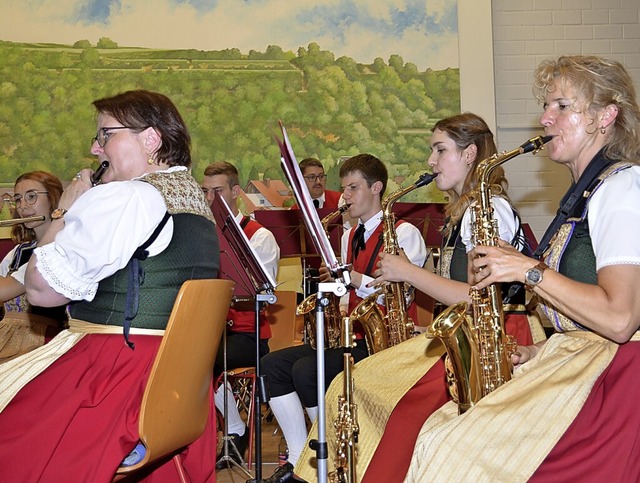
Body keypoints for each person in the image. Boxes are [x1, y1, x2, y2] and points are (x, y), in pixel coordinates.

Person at [403, 55, 640, 482]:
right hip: (584, 364)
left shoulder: (622, 186)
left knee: (451, 449)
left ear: (606, 116)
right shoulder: (586, 194)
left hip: (619, 385)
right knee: (440, 438)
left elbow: (621, 319)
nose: (545, 118)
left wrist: (528, 269)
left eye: (562, 106)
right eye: (546, 106)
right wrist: (537, 353)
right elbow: (582, 321)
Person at [294, 113, 546, 482]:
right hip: (470, 336)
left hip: (498, 339)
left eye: (439, 150)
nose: (431, 160)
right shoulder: (466, 210)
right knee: (358, 385)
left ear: (470, 153)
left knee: (376, 393)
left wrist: (408, 272)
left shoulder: (487, 210)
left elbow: (480, 300)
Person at [0, 90, 220, 482]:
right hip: (170, 380)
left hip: (115, 376)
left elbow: (41, 292)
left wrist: (64, 212)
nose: (94, 147)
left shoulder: (126, 196)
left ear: (150, 139)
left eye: (105, 135)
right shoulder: (193, 201)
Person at [262, 153, 427, 483]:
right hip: (351, 335)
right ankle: (299, 458)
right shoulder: (348, 234)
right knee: (272, 366)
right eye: (343, 188)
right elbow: (349, 288)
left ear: (376, 188)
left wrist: (350, 278)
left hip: (387, 342)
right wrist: (334, 283)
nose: (345, 196)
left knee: (307, 371)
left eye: (353, 188)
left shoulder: (404, 233)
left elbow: (397, 294)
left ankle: (330, 450)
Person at [201, 160, 280, 468]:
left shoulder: (260, 237)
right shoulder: (205, 233)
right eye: (205, 191)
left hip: (248, 335)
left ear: (235, 192)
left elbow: (264, 294)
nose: (209, 199)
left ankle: (234, 429)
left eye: (217, 191)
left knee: (202, 360)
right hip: (215, 332)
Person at [0, 171, 66, 363]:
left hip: (41, 342)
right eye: (18, 199)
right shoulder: (18, 251)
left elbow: (4, 291)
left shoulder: (59, 250)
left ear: (53, 199)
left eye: (31, 197)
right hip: (8, 335)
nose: (23, 206)